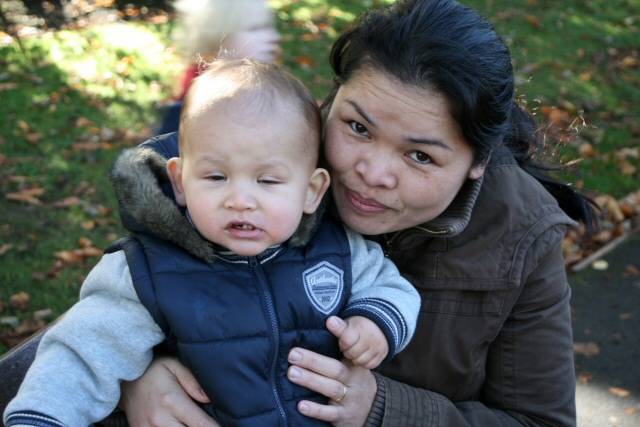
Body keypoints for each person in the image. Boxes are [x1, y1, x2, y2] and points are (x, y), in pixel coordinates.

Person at [115, 0, 599, 426]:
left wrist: (383, 409)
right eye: (358, 127)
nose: (372, 172)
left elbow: (539, 420)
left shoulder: (520, 238)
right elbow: (63, 350)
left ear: (478, 163)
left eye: (420, 156)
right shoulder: (247, 168)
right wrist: (128, 378)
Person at [3, 59, 420, 427]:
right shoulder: (149, 270)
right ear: (180, 182)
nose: (240, 200)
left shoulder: (337, 250)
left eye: (268, 181)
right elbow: (82, 352)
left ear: (312, 191)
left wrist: (375, 320)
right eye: (216, 177)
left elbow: (390, 286)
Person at [157, 0, 281, 134]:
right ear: (218, 38)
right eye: (255, 28)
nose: (274, 37)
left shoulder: (267, 92)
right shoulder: (196, 106)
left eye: (269, 27)